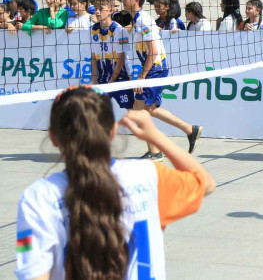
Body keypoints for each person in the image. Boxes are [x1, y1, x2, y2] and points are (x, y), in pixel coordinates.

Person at [14, 86, 215, 280]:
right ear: (112, 132)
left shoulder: (38, 198)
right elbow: (205, 183)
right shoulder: (147, 176)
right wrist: (154, 135)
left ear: (53, 137)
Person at [121, 0, 203, 161]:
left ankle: (156, 150)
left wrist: (142, 76)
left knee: (139, 110)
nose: (123, 1)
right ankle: (189, 130)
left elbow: (153, 51)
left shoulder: (143, 19)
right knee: (149, 109)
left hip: (155, 69)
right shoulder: (137, 19)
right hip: (153, 68)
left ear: (136, 0)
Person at [90, 0, 135, 110]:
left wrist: (111, 81)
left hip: (120, 77)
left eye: (101, 8)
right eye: (96, 8)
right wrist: (94, 79)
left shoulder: (119, 30)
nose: (97, 12)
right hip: (102, 77)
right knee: (95, 110)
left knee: (131, 110)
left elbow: (121, 60)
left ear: (111, 10)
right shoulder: (93, 29)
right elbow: (94, 57)